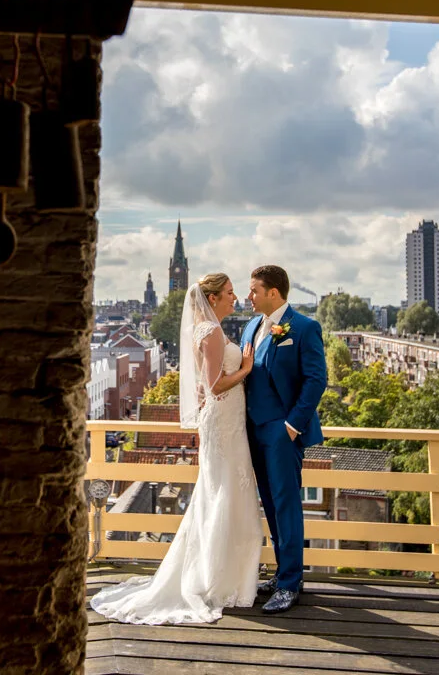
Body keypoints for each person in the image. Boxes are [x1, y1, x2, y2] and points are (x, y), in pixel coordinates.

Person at [90, 273, 261, 625]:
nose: (235, 298)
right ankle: (218, 579)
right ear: (213, 298)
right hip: (223, 424)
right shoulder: (210, 331)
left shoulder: (210, 329)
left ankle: (224, 576)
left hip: (226, 422)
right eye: (229, 293)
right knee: (224, 492)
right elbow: (215, 386)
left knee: (223, 491)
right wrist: (246, 367)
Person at [241, 264, 328, 614]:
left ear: (273, 292)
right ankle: (282, 573)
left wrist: (292, 426)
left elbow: (316, 379)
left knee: (287, 504)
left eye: (254, 290)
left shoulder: (304, 327)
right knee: (270, 504)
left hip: (282, 432)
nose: (249, 296)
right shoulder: (250, 326)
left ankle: (291, 583)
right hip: (253, 430)